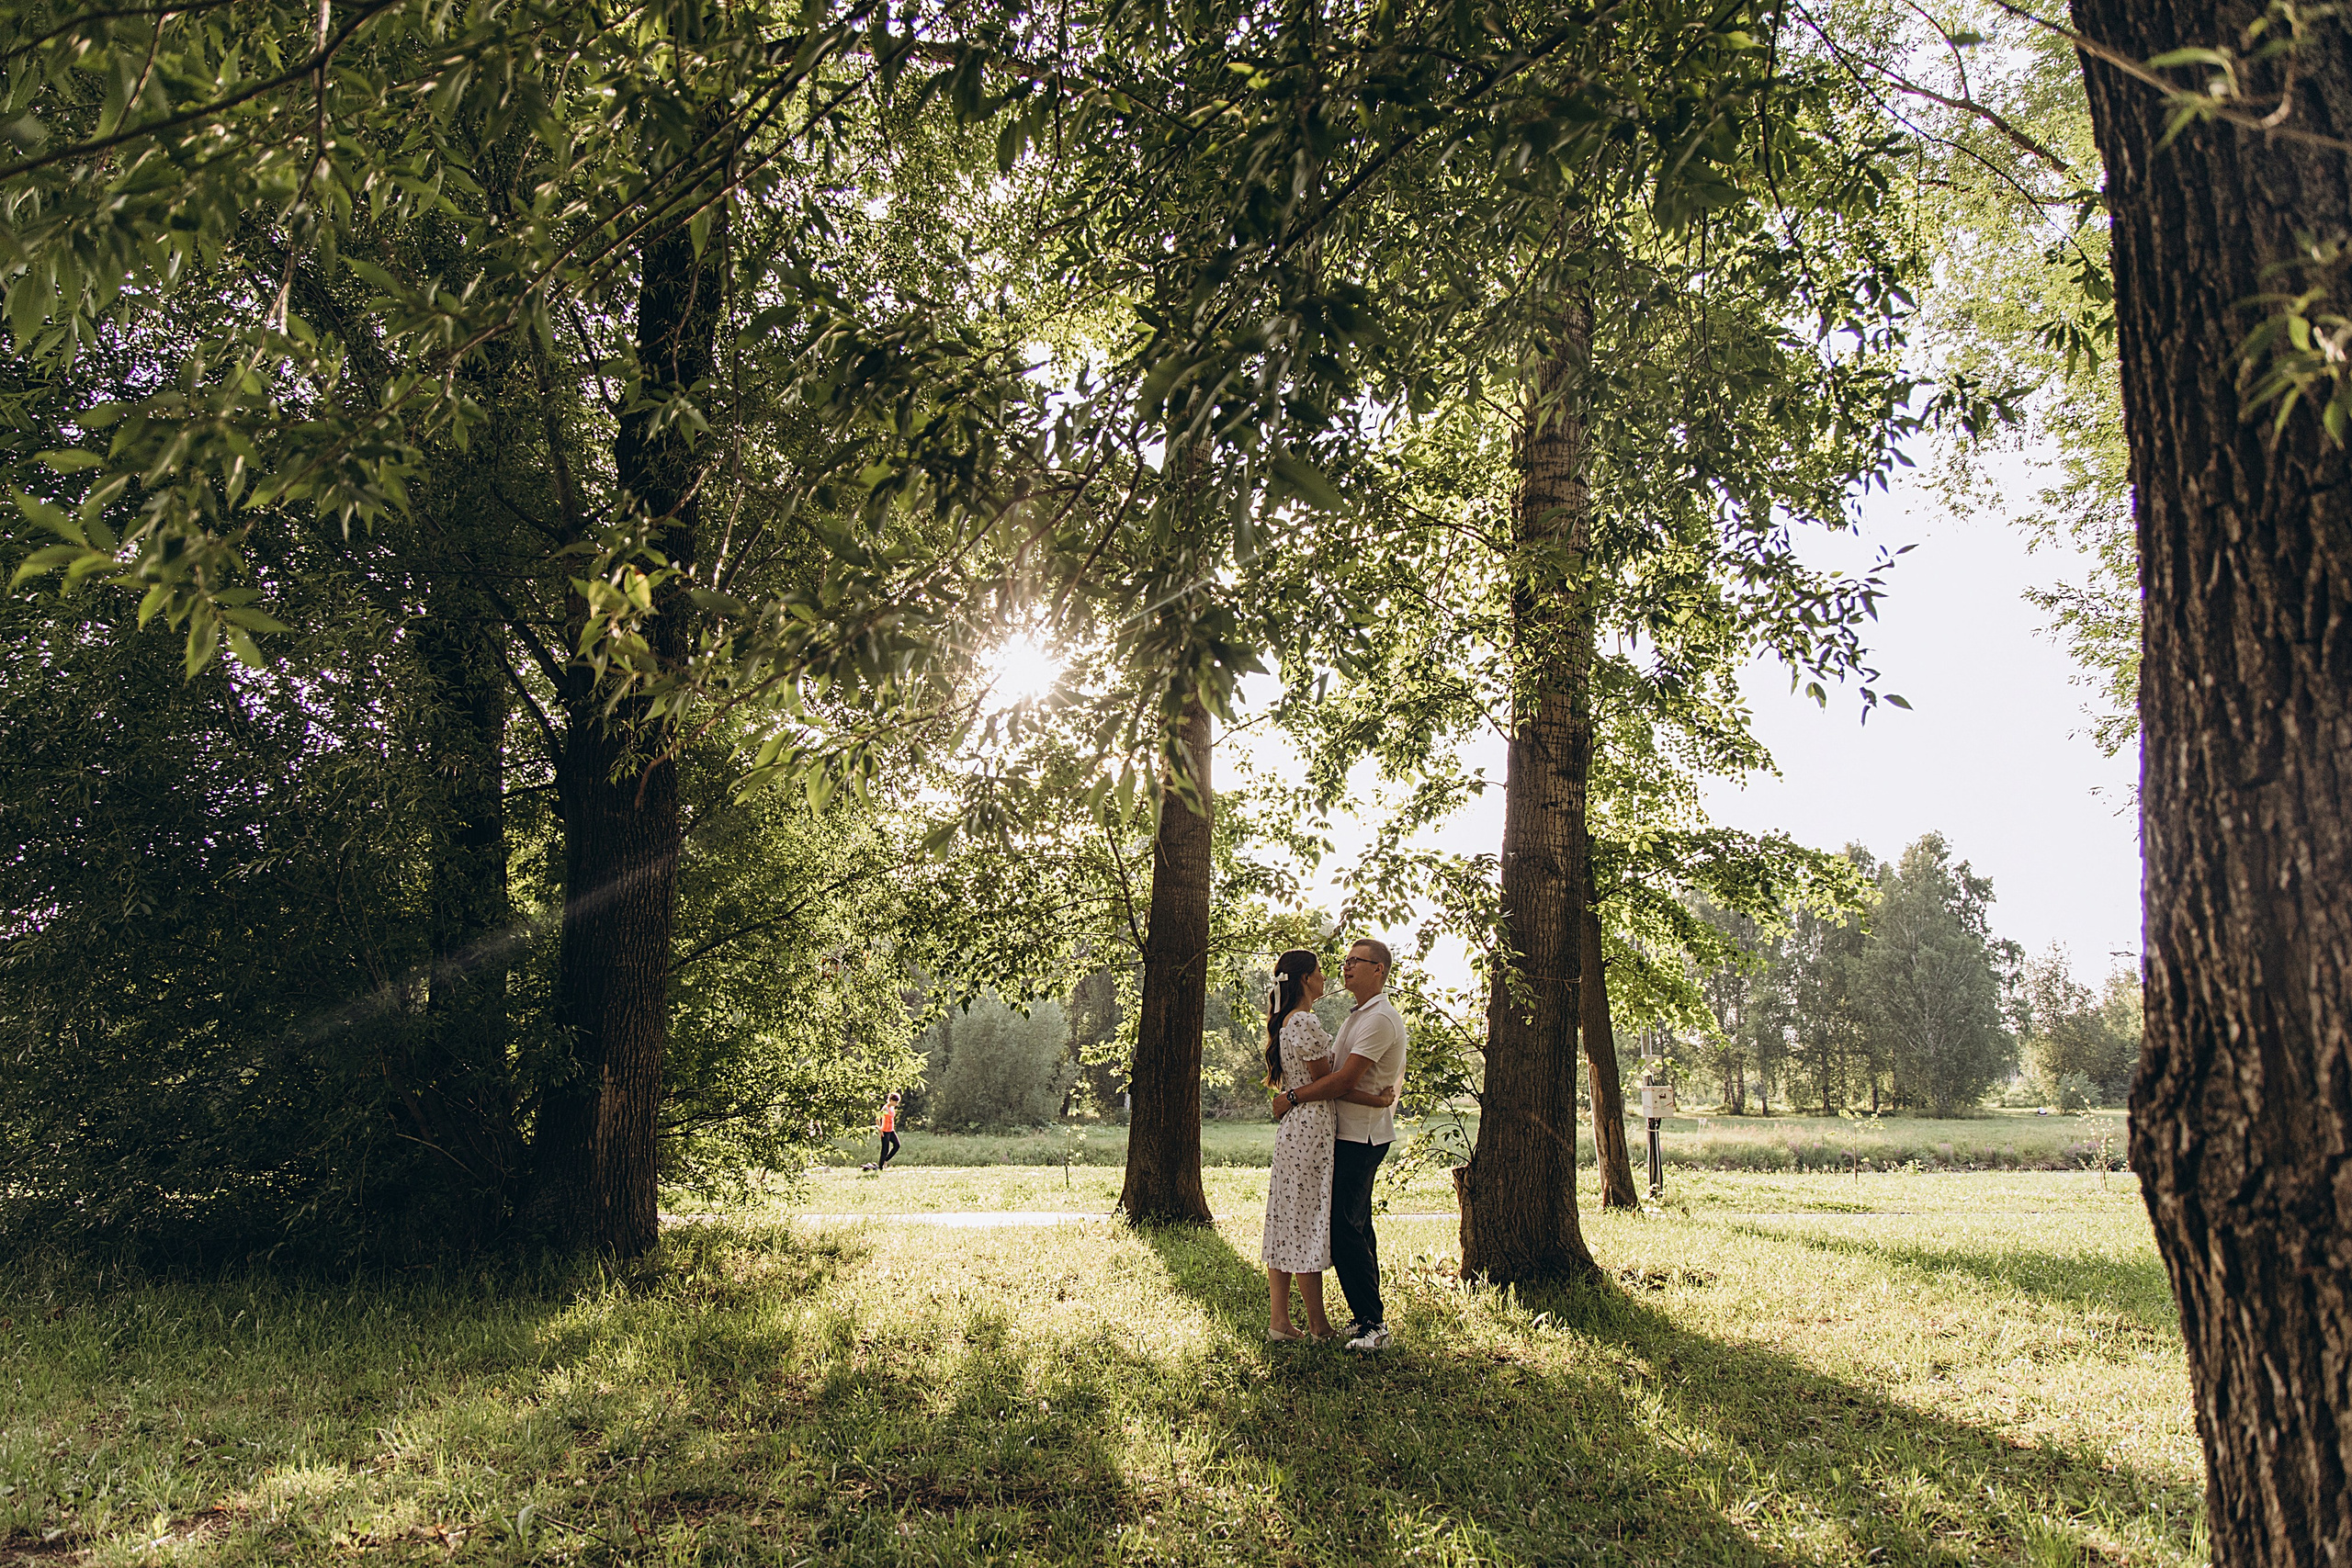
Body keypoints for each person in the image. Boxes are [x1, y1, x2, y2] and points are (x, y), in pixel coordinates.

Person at [1272, 938, 1408, 1351]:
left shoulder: (1379, 1019)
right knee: (1349, 1226)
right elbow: (1333, 1080)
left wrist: (1293, 1097)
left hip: (1359, 1134)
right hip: (1332, 1131)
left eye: (1356, 961)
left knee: (1346, 1228)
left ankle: (1371, 1322)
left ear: (1378, 970)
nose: (1344, 967)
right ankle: (1364, 1318)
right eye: (1343, 961)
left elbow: (1341, 1081)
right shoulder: (1351, 1017)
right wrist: (1299, 1095)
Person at [875, 1091, 901, 1170]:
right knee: (885, 1149)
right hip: (885, 1131)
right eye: (896, 1102)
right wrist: (880, 1130)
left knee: (897, 1145)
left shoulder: (892, 1108)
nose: (896, 1104)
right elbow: (877, 1119)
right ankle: (880, 1167)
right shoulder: (885, 1108)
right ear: (891, 1100)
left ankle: (886, 1159)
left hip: (891, 1130)